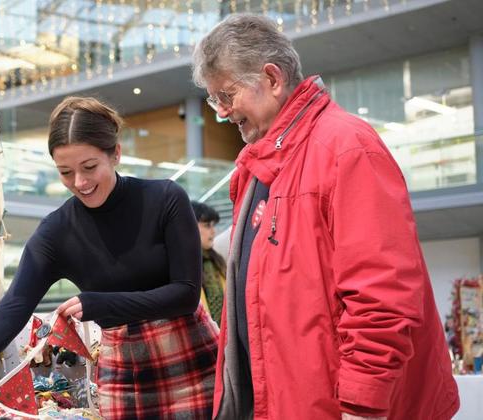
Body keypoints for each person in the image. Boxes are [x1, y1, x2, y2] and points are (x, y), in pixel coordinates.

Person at [191, 14, 459, 420]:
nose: (224, 112)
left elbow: (381, 296)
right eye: (215, 101)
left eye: (226, 96)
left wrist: (362, 405)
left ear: (272, 78)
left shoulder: (346, 147)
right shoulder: (261, 166)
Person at [0, 96, 219, 418]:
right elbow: (16, 303)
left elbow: (186, 294)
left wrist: (104, 304)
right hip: (123, 367)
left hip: (191, 354)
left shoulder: (165, 198)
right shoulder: (57, 231)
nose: (80, 183)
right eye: (65, 172)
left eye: (89, 167)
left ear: (115, 153)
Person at [191, 201, 227, 324]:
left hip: (224, 334)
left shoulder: (216, 260)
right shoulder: (184, 265)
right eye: (207, 225)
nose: (213, 232)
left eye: (213, 225)